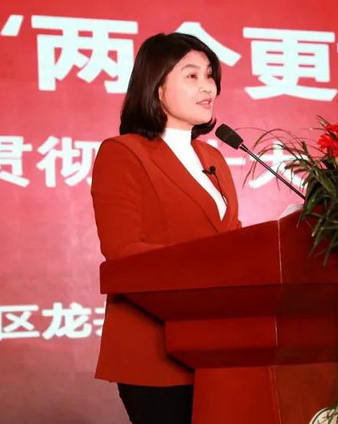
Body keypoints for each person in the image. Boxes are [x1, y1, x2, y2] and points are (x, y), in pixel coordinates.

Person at [90, 32, 242, 423]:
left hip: (219, 349)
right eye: (191, 76)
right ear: (156, 88)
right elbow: (123, 251)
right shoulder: (123, 153)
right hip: (156, 349)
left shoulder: (212, 157)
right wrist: (209, 271)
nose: (208, 86)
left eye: (210, 75)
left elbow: (234, 243)